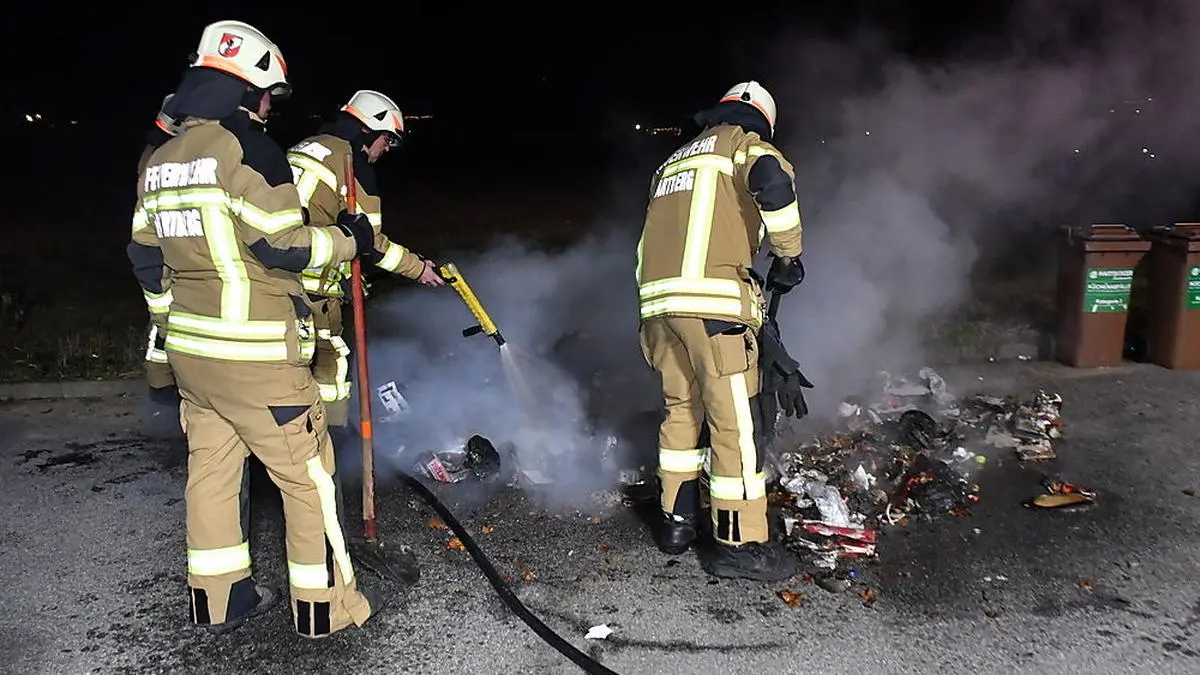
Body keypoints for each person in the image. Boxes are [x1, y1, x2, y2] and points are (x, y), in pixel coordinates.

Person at [127, 19, 382, 637]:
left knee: (211, 476)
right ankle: (325, 611)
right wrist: (351, 239)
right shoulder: (250, 150)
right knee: (308, 481)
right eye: (269, 94)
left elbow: (144, 257)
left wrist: (173, 329)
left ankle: (217, 600)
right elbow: (283, 247)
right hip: (260, 363)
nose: (270, 107)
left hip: (194, 360)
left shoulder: (160, 158)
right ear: (247, 91)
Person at [635, 80, 811, 582]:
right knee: (736, 426)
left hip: (658, 311)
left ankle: (676, 523)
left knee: (681, 413)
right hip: (712, 313)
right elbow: (773, 182)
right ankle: (739, 545)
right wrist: (789, 255)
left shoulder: (673, 162)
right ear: (762, 120)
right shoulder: (743, 145)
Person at [285, 90, 443, 461]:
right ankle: (329, 447)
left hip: (272, 283)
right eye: (388, 139)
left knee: (284, 371)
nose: (386, 149)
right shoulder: (354, 165)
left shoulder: (305, 147)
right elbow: (370, 244)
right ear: (370, 130)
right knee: (331, 366)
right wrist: (419, 269)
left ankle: (282, 443)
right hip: (312, 289)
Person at [138, 95, 185, 427]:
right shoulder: (165, 157)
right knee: (167, 327)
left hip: (162, 249)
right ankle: (164, 397)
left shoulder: (155, 154)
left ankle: (162, 397)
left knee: (162, 327)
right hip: (169, 251)